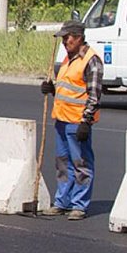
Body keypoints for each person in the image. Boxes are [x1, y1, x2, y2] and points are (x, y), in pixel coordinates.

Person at [40, 20, 103, 220]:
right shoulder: (68, 59)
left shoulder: (91, 60)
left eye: (67, 38)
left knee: (81, 164)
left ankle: (79, 205)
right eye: (63, 39)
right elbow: (68, 89)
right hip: (61, 119)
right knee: (62, 163)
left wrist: (86, 121)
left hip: (77, 122)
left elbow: (94, 95)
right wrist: (52, 90)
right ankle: (62, 201)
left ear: (78, 37)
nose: (64, 42)